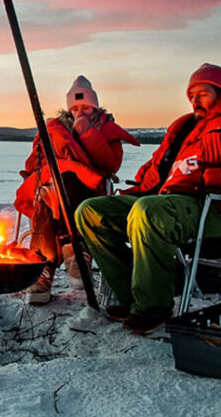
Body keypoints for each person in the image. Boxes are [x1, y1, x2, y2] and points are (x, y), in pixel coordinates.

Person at [74, 63, 221, 333]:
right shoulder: (184, 129)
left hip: (212, 209)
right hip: (163, 201)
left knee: (147, 211)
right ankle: (131, 295)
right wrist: (137, 190)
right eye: (191, 94)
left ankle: (152, 306)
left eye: (202, 93)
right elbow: (158, 167)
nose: (194, 100)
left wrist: (204, 176)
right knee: (90, 211)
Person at [15, 75, 139, 304]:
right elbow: (33, 163)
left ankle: (50, 264)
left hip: (89, 188)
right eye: (76, 107)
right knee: (48, 194)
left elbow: (110, 164)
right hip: (50, 187)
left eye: (86, 107)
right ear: (68, 109)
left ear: (96, 107)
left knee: (65, 181)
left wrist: (87, 134)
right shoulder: (53, 130)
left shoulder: (107, 130)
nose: (81, 111)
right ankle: (69, 257)